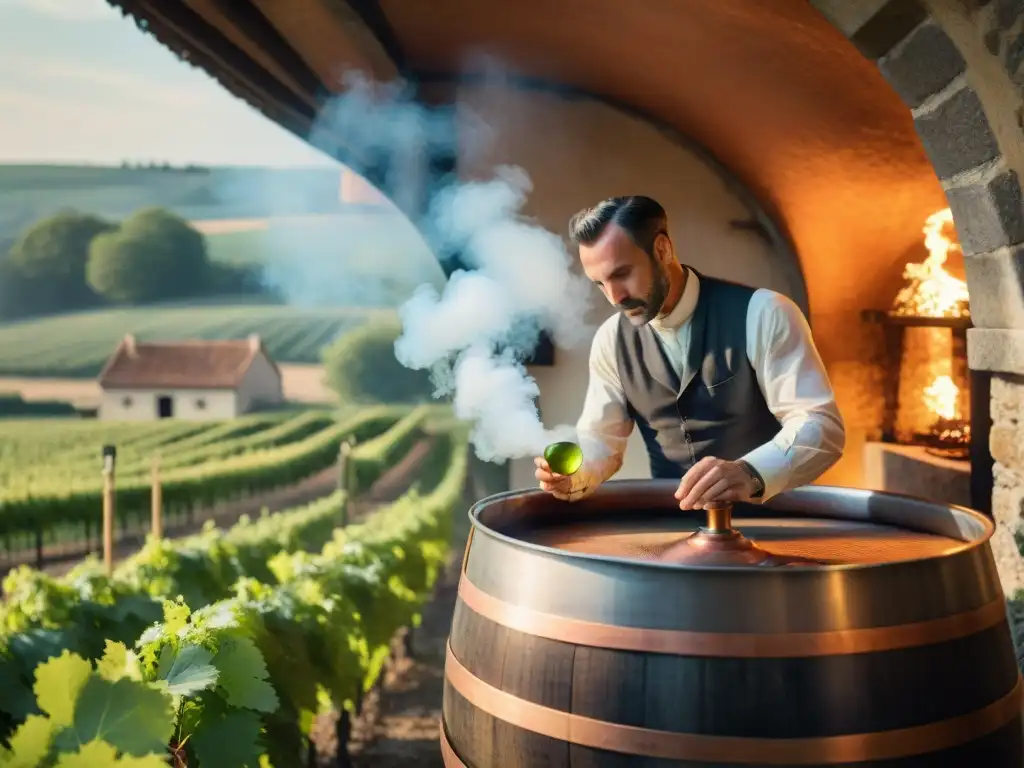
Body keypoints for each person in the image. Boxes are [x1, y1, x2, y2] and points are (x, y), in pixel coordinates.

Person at [534, 195, 845, 510]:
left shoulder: (764, 312)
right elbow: (602, 441)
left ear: (662, 249)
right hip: (670, 536)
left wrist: (750, 472)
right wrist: (575, 476)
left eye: (622, 274)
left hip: (773, 531)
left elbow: (821, 425)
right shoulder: (610, 339)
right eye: (599, 283)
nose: (614, 297)